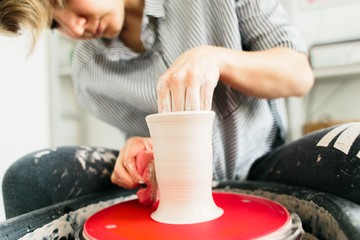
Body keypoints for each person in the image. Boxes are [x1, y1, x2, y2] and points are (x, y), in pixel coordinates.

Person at [1, 0, 360, 237]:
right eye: (53, 24)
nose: (74, 28)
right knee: (29, 176)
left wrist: (216, 59)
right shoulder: (87, 71)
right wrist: (140, 152)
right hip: (172, 189)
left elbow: (298, 74)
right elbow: (150, 140)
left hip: (261, 166)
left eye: (64, 1)